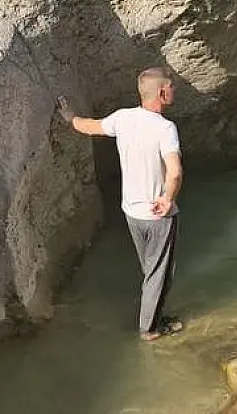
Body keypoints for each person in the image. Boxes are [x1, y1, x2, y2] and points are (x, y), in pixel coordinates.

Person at [69, 69, 185, 341]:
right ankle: (151, 329)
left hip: (131, 212)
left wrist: (68, 116)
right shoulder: (165, 128)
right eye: (172, 87)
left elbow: (88, 126)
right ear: (162, 93)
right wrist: (167, 198)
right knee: (160, 273)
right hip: (158, 215)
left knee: (151, 270)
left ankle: (153, 314)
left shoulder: (122, 118)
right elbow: (175, 171)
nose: (174, 91)